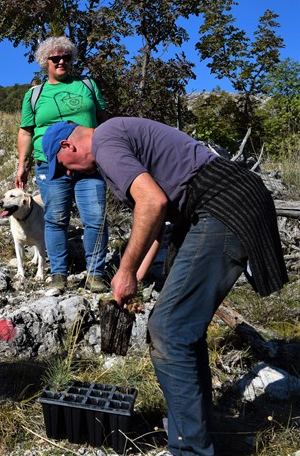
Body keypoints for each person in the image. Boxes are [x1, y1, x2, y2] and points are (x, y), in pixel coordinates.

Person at [43, 118, 287, 456]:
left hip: (223, 203)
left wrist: (124, 269)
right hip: (211, 206)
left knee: (169, 329)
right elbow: (156, 221)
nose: (68, 175)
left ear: (66, 147)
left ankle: (190, 448)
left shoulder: (105, 141)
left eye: (62, 168)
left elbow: (152, 203)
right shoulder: (115, 142)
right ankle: (196, 428)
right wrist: (135, 279)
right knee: (181, 327)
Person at [14, 36, 110, 293]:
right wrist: (22, 164)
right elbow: (26, 131)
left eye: (66, 57)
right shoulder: (35, 95)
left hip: (89, 163)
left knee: (96, 217)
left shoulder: (87, 86)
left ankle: (95, 274)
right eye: (55, 58)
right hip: (50, 164)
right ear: (44, 62)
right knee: (56, 219)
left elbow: (105, 120)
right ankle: (58, 273)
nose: (61, 62)